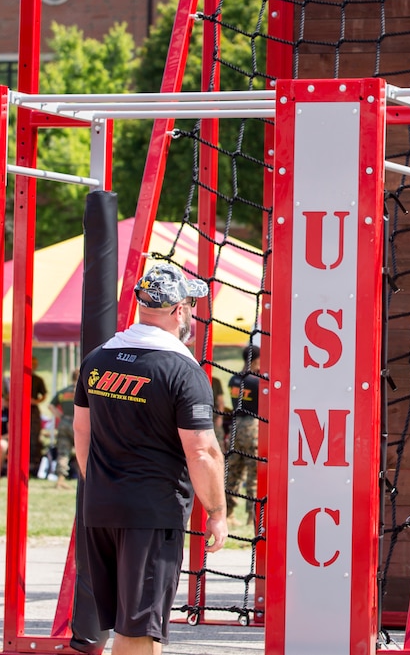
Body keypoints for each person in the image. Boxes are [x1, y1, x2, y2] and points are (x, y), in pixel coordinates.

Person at [74, 263, 228, 655]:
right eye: (190, 305)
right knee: (139, 631)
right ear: (179, 311)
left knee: (132, 626)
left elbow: (81, 432)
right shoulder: (181, 369)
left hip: (100, 508)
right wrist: (217, 511)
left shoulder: (97, 359)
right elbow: (202, 450)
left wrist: (101, 486)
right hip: (150, 512)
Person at [225, 344, 261, 526]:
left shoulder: (234, 379)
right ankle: (251, 516)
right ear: (257, 360)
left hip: (235, 426)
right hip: (252, 426)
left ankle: (228, 513)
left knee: (233, 471)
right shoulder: (257, 381)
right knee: (253, 473)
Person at [51, 370, 80, 489]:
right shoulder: (81, 390)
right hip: (78, 423)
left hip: (64, 422)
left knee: (63, 452)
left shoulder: (63, 392)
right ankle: (82, 479)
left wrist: (61, 416)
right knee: (82, 451)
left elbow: (50, 405)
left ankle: (60, 480)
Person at [30, 355, 48, 475]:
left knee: (33, 437)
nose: (35, 365)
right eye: (33, 363)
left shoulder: (37, 379)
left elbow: (44, 394)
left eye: (35, 363)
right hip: (18, 409)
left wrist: (35, 402)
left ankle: (32, 465)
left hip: (33, 411)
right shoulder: (16, 376)